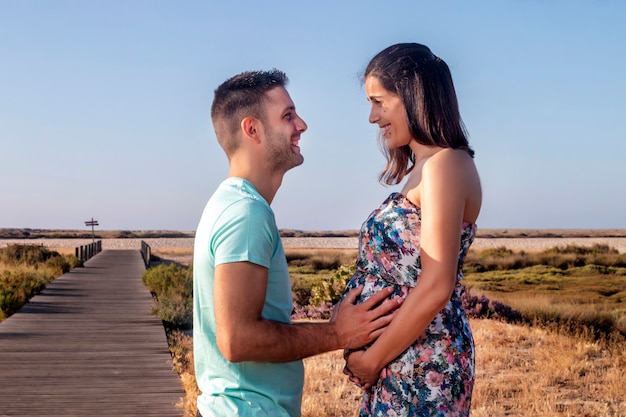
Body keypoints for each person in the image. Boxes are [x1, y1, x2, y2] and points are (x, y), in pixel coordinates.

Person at [193, 69, 402, 417]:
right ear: (252, 129)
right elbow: (237, 339)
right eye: (288, 116)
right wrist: (338, 334)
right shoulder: (246, 212)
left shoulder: (231, 203)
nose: (302, 125)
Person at [341, 43, 482, 416]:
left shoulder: (444, 165)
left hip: (422, 357)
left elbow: (437, 284)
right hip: (403, 353)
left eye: (379, 101)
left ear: (412, 96)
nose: (372, 117)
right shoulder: (425, 168)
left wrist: (372, 359)